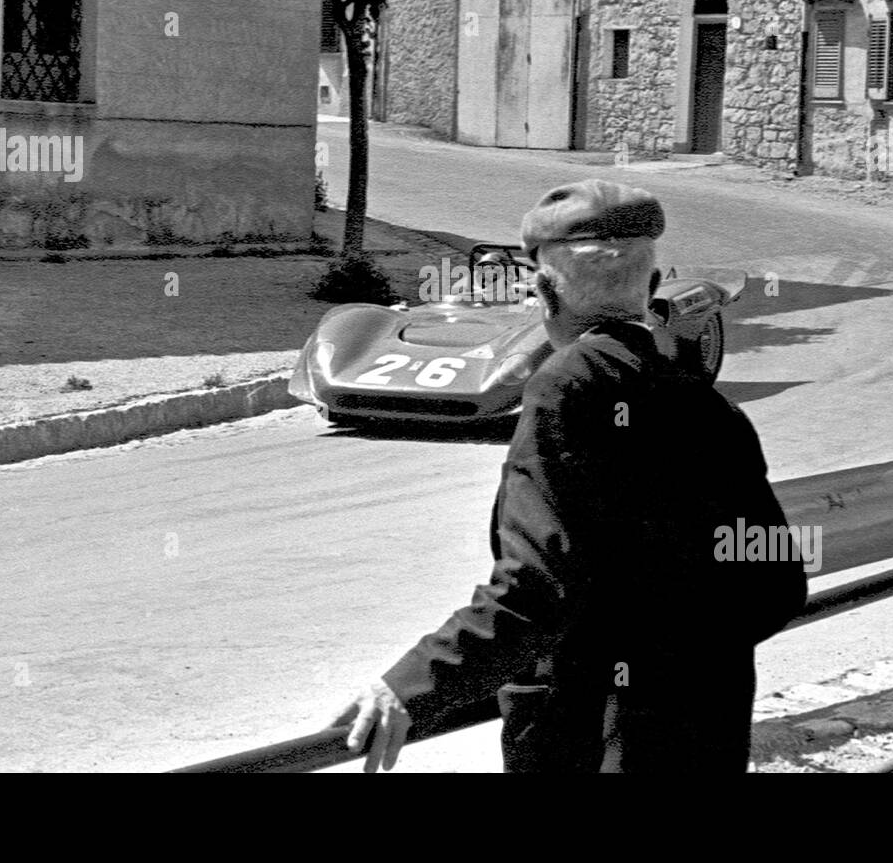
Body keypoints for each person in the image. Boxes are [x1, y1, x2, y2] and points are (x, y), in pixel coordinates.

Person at [332, 180, 809, 773]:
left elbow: (538, 587)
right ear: (653, 288)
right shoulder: (704, 403)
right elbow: (775, 586)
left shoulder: (568, 385)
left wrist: (411, 685)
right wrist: (684, 666)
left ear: (541, 290)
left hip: (593, 738)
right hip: (704, 730)